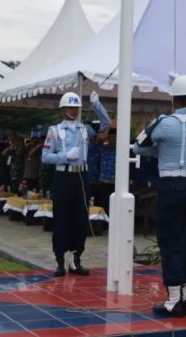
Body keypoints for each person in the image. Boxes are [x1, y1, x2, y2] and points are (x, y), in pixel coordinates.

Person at [132, 74, 186, 317]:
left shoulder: (166, 123)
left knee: (170, 241)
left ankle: (174, 300)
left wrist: (161, 150)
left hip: (172, 185)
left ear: (174, 99)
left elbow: (139, 145)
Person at [42, 90, 110, 277]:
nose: (73, 110)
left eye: (76, 107)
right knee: (62, 219)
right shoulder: (54, 131)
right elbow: (46, 157)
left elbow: (106, 125)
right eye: (70, 107)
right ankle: (59, 260)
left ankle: (76, 258)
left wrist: (97, 105)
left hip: (81, 176)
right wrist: (65, 156)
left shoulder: (85, 129)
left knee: (80, 219)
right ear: (63, 109)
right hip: (63, 178)